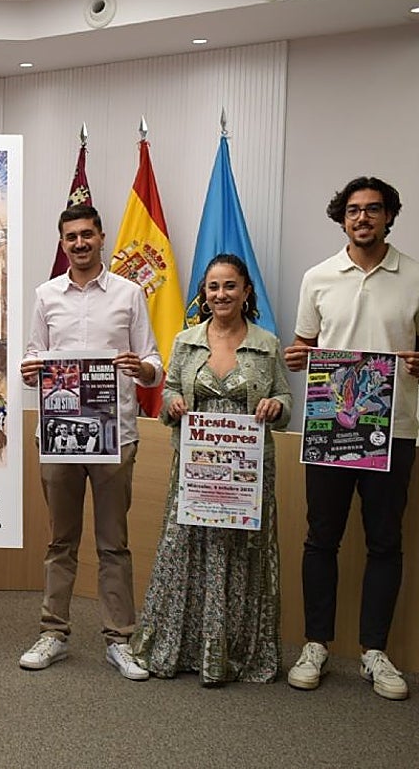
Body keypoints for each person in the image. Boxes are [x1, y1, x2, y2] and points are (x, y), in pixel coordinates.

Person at [284, 176, 419, 701]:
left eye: (373, 210)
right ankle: (316, 643)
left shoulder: (414, 277)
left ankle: (374, 652)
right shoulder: (318, 277)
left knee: (386, 542)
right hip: (329, 430)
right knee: (321, 537)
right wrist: (297, 357)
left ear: (389, 216)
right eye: (354, 211)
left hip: (396, 428)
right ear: (342, 218)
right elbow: (303, 345)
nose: (363, 218)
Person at [129, 254, 291, 685]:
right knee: (188, 551)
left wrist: (275, 407)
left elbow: (285, 403)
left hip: (247, 476)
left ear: (246, 291)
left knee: (241, 556)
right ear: (204, 292)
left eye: (230, 286)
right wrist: (173, 403)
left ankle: (235, 652)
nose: (221, 294)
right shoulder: (185, 341)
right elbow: (169, 396)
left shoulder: (267, 343)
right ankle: (183, 648)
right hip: (196, 471)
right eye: (213, 287)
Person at [19, 204, 162, 680]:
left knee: (113, 543)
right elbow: (32, 359)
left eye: (86, 235)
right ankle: (53, 633)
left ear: (102, 237)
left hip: (113, 436)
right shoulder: (45, 296)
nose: (79, 243)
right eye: (70, 237)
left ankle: (119, 639)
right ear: (62, 243)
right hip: (60, 438)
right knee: (60, 540)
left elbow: (154, 361)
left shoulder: (130, 294)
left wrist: (143, 370)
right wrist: (29, 369)